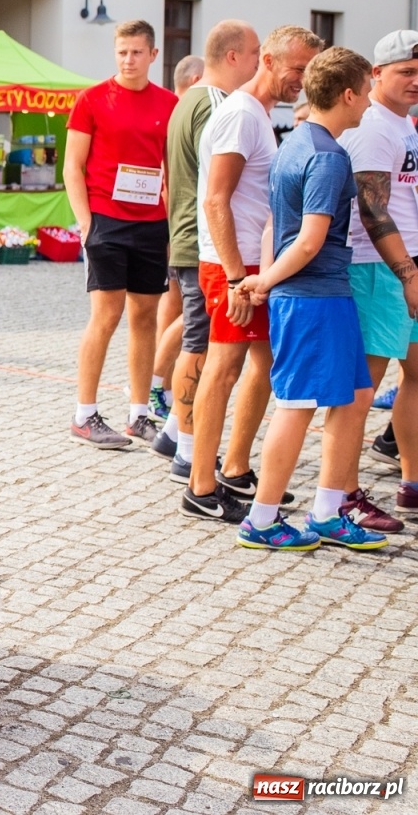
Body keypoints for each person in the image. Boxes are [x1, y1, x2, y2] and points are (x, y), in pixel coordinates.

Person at [234, 47, 386, 552]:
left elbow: (281, 226)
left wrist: (267, 278)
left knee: (347, 399)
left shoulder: (296, 142)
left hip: (323, 294)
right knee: (297, 405)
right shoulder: (325, 155)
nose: (369, 103)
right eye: (365, 92)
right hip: (311, 296)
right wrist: (266, 281)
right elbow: (308, 239)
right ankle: (261, 519)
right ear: (347, 94)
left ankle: (326, 511)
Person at [186, 27, 322, 522]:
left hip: (252, 265)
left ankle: (237, 467)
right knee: (223, 370)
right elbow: (215, 198)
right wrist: (231, 275)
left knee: (263, 364)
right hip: (233, 264)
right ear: (267, 60)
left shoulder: (259, 114)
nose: (304, 81)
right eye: (298, 69)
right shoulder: (241, 114)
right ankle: (200, 485)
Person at [158, 22, 260, 509]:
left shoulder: (185, 102)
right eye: (256, 54)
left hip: (184, 234)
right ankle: (184, 448)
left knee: (194, 341)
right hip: (203, 242)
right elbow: (216, 190)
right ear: (234, 56)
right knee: (201, 347)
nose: (260, 63)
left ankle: (175, 434)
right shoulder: (219, 104)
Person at [64, 20, 179, 448]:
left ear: (153, 54)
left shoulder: (169, 104)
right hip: (106, 221)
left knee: (145, 318)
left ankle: (139, 414)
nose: (128, 60)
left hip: (151, 223)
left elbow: (171, 169)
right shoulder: (92, 99)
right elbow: (72, 166)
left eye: (136, 52)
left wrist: (170, 225)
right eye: (121, 52)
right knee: (106, 316)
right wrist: (86, 222)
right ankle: (85, 414)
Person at [336, 30, 418, 529]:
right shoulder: (372, 126)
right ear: (377, 75)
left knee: (416, 372)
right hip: (378, 267)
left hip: (404, 263)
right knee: (362, 386)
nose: (414, 81)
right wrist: (405, 271)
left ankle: (411, 481)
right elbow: (372, 208)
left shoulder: (403, 124)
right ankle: (344, 494)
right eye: (405, 71)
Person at [149, 54, 209, 419]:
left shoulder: (176, 109)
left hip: (177, 229)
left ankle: (159, 385)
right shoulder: (182, 111)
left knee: (177, 313)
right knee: (184, 315)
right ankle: (157, 384)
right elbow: (166, 181)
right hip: (180, 230)